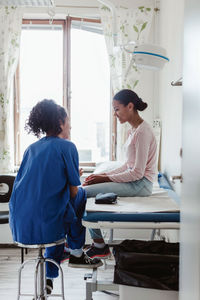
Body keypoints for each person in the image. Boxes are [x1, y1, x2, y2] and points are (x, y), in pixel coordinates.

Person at [9, 99, 102, 294]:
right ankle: (76, 252)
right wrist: (74, 176)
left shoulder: (30, 149)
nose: (70, 126)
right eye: (69, 122)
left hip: (19, 225)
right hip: (48, 224)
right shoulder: (68, 147)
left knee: (59, 210)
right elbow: (74, 191)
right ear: (60, 122)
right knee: (74, 202)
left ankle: (50, 276)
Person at [83, 89, 157, 259]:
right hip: (135, 181)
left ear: (130, 106)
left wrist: (104, 177)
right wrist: (103, 175)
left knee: (83, 193)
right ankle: (97, 244)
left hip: (141, 184)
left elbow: (137, 173)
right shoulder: (133, 130)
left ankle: (98, 245)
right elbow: (127, 165)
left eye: (117, 109)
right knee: (85, 189)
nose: (115, 114)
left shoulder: (143, 132)